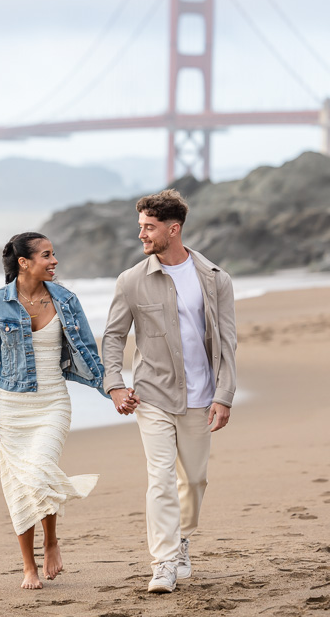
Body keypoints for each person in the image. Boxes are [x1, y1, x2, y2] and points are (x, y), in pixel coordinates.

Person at [102, 189, 237, 595]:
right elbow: (113, 337)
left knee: (194, 481)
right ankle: (163, 562)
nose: (141, 235)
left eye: (149, 227)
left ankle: (180, 540)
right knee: (160, 478)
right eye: (140, 226)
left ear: (172, 229)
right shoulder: (130, 281)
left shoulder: (215, 279)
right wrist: (114, 384)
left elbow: (227, 341)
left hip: (201, 395)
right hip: (152, 395)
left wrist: (224, 394)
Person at [0, 231, 113, 590]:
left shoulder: (66, 299)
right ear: (24, 263)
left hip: (52, 401)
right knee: (19, 486)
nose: (54, 261)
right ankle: (28, 566)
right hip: (11, 406)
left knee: (40, 469)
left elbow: (87, 351)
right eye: (47, 255)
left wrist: (112, 391)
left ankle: (51, 541)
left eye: (54, 254)